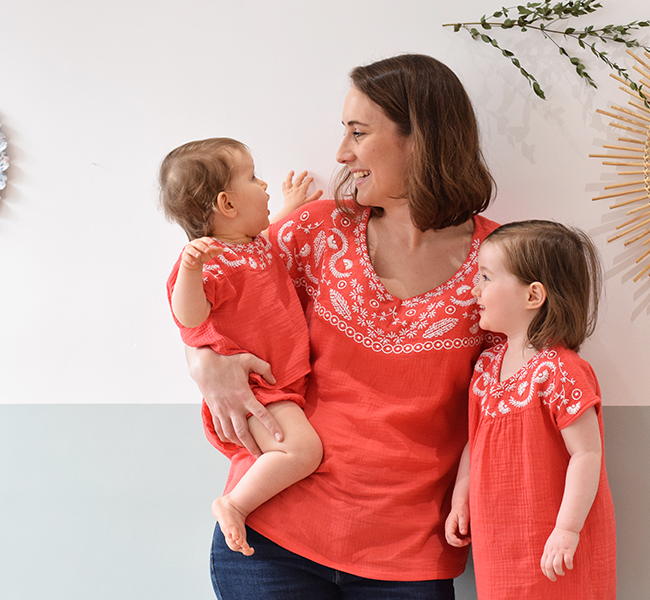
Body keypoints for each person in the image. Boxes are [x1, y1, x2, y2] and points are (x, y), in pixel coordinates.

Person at [186, 54, 498, 599]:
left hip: (409, 555)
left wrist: (473, 477)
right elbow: (214, 288)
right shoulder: (313, 230)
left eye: (358, 132)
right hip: (271, 539)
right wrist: (203, 362)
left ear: (420, 139)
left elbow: (505, 388)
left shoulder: (501, 260)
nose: (341, 153)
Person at [160, 137, 324, 556]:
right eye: (253, 177)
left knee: (300, 447)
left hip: (280, 384)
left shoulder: (254, 245)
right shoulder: (206, 260)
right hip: (256, 390)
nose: (265, 185)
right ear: (227, 205)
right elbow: (190, 317)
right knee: (303, 451)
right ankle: (234, 504)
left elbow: (272, 227)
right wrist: (192, 270)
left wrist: (291, 203)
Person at [444, 220, 617, 599]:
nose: (475, 290)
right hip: (500, 543)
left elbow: (587, 453)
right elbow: (476, 441)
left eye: (486, 278)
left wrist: (567, 528)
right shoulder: (487, 366)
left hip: (554, 545)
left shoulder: (561, 370)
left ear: (533, 295)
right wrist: (462, 494)